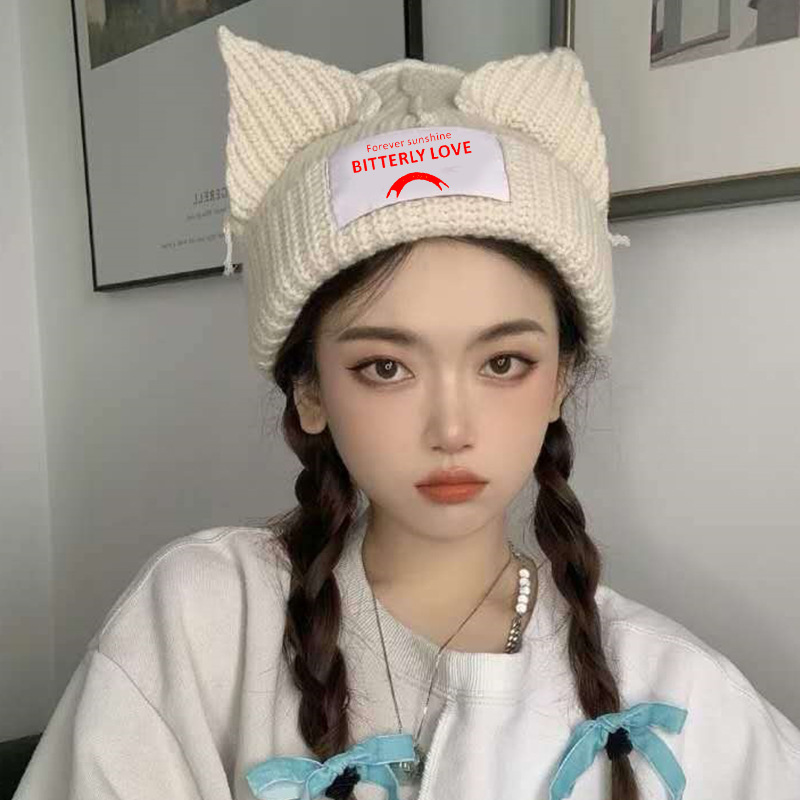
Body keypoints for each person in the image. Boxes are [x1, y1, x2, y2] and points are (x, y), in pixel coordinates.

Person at [12, 24, 800, 800]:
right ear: (309, 390)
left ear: (560, 377)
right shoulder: (203, 623)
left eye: (503, 363)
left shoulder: (681, 692)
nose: (451, 429)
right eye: (385, 367)